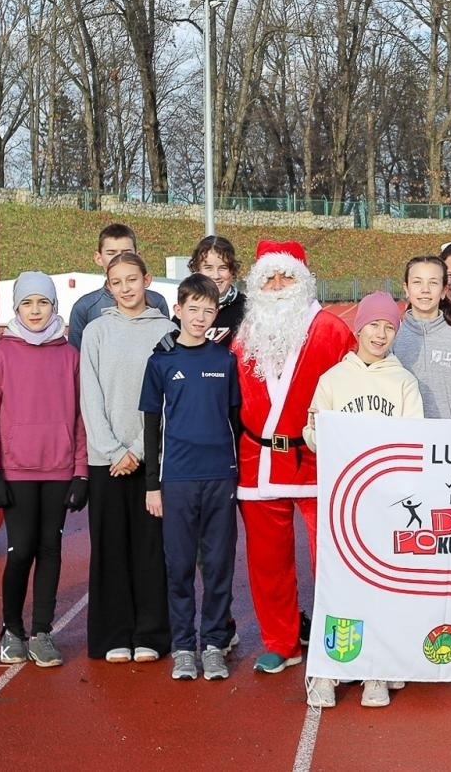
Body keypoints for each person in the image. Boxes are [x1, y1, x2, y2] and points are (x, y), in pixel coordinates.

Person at [232, 240, 356, 674]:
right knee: (267, 563)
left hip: (318, 459)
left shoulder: (332, 330)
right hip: (257, 460)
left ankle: (338, 639)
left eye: (287, 276)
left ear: (303, 281)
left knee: (334, 556)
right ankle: (280, 641)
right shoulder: (244, 336)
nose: (278, 285)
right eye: (269, 277)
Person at [302, 290, 423, 710]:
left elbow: (413, 440)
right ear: (359, 328)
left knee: (383, 584)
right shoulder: (333, 380)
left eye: (389, 326)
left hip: (386, 502)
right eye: (374, 324)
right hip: (343, 498)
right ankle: (329, 668)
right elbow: (312, 433)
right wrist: (323, 435)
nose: (381, 333)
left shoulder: (403, 381)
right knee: (340, 584)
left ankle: (377, 667)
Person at [0, 271, 87, 669]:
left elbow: (79, 419)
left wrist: (81, 473)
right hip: (16, 472)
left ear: (54, 307)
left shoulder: (70, 355)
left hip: (58, 470)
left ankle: (42, 631)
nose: (36, 310)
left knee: (50, 550)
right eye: (28, 303)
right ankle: (12, 629)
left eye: (43, 303)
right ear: (17, 308)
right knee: (19, 550)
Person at [139, 273, 243, 683]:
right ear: (178, 311)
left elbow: (234, 420)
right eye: (193, 309)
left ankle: (214, 643)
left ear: (216, 313)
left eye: (208, 310)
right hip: (177, 479)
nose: (200, 317)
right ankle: (184, 646)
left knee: (218, 565)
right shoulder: (160, 362)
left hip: (220, 477)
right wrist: (152, 483)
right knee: (179, 565)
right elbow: (152, 427)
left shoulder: (224, 360)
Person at [79, 251, 175, 663]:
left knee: (150, 550)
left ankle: (151, 633)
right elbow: (90, 395)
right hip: (106, 459)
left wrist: (137, 450)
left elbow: (169, 399)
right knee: (109, 549)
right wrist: (114, 450)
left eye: (131, 279)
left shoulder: (168, 331)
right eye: (116, 282)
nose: (125, 288)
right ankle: (112, 633)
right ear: (107, 286)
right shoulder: (96, 332)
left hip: (150, 459)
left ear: (147, 280)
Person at [392, 255, 451, 419]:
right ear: (406, 288)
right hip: (404, 438)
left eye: (433, 282)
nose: (425, 289)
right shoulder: (392, 337)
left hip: (446, 440)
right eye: (417, 282)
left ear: (444, 290)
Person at [67, 222, 169, 347]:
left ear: (138, 256)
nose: (119, 258)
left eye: (126, 253)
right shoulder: (84, 307)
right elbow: (77, 359)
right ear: (98, 258)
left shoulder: (157, 302)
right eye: (111, 253)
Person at [188, 234, 246, 345]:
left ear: (233, 271)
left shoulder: (247, 310)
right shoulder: (186, 308)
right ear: (197, 269)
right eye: (208, 268)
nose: (216, 275)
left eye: (223, 268)